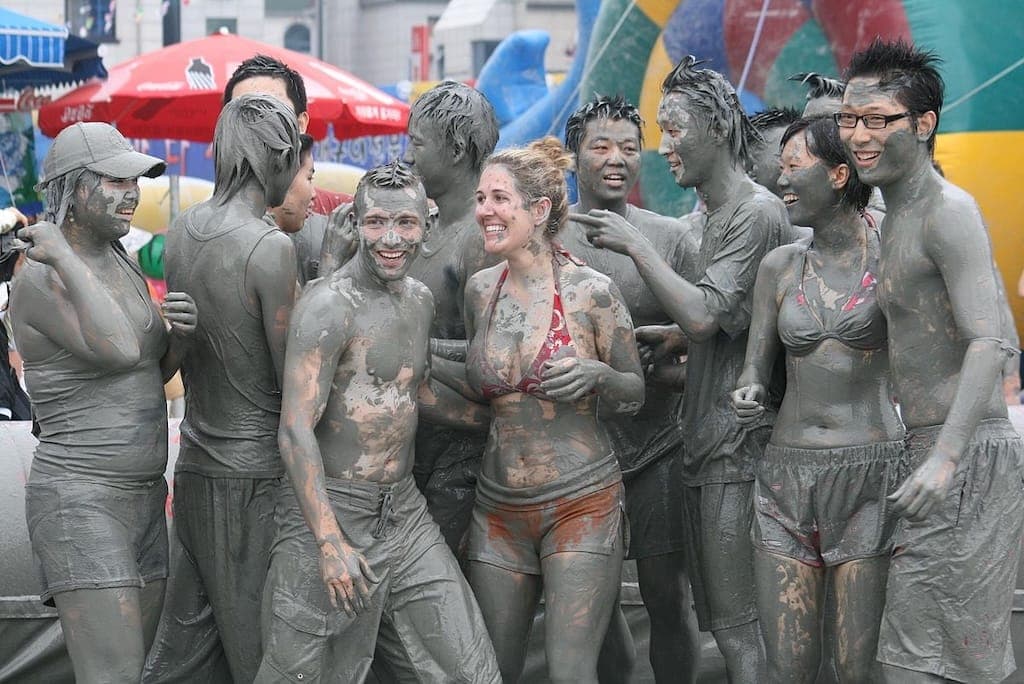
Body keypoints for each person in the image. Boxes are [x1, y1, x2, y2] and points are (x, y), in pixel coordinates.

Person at [574, 55, 790, 682]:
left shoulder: (750, 213)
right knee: (728, 620)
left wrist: (637, 248)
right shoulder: (714, 217)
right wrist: (669, 340)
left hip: (731, 441)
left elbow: (707, 315)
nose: (663, 148)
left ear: (719, 127)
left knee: (737, 622)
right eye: (660, 133)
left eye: (672, 130)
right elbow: (722, 326)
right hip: (701, 437)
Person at [254, 161, 500, 683]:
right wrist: (328, 542)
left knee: (470, 670)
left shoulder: (418, 300)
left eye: (405, 224)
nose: (391, 238)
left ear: (426, 226)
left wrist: (500, 424)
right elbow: (295, 430)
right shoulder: (328, 307)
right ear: (355, 221)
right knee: (299, 673)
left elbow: (415, 393)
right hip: (331, 508)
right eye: (376, 223)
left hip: (404, 514)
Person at [838, 38, 1024, 683]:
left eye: (877, 120)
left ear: (923, 125)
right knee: (922, 657)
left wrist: (946, 457)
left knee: (949, 661)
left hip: (967, 452)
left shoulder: (950, 212)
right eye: (849, 120)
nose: (859, 136)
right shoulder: (896, 216)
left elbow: (992, 340)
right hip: (924, 448)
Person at [431, 137, 644, 682]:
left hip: (581, 503)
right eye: (481, 199)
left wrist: (600, 375)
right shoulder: (482, 291)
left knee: (570, 671)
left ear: (540, 209)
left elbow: (634, 393)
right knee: (491, 669)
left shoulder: (592, 293)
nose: (484, 211)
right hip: (498, 507)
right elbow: (488, 390)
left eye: (499, 199)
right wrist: (414, 360)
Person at [8, 122, 196, 683]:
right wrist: (64, 255)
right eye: (115, 180)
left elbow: (149, 368)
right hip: (82, 498)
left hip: (141, 495)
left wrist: (180, 338)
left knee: (132, 670)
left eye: (135, 179)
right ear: (71, 188)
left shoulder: (120, 260)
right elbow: (115, 349)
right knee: (110, 675)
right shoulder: (41, 277)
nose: (133, 191)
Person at [732, 116, 904, 682]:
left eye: (793, 166)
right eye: (779, 166)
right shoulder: (780, 267)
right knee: (788, 667)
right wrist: (749, 392)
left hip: (869, 475)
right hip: (785, 476)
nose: (780, 179)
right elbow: (756, 366)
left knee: (856, 668)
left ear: (838, 173)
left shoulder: (892, 257)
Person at [144, 95, 300, 683]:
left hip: (197, 467)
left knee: (183, 646)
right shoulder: (270, 248)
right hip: (253, 474)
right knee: (259, 650)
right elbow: (293, 382)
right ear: (275, 158)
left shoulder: (184, 229)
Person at [558, 95, 701, 683]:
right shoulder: (547, 237)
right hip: (580, 448)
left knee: (668, 595)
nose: (616, 159)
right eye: (600, 146)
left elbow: (705, 335)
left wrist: (668, 359)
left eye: (627, 146)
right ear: (574, 157)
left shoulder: (669, 239)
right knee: (594, 601)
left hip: (659, 443)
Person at [402, 81, 501, 553]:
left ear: (457, 148)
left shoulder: (479, 239)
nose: (407, 155)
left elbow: (495, 356)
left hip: (463, 459)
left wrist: (415, 346)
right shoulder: (428, 228)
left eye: (417, 143)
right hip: (417, 446)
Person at [223, 54, 350, 285]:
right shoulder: (208, 223)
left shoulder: (342, 216)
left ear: (300, 125)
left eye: (274, 112)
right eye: (244, 113)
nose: (258, 126)